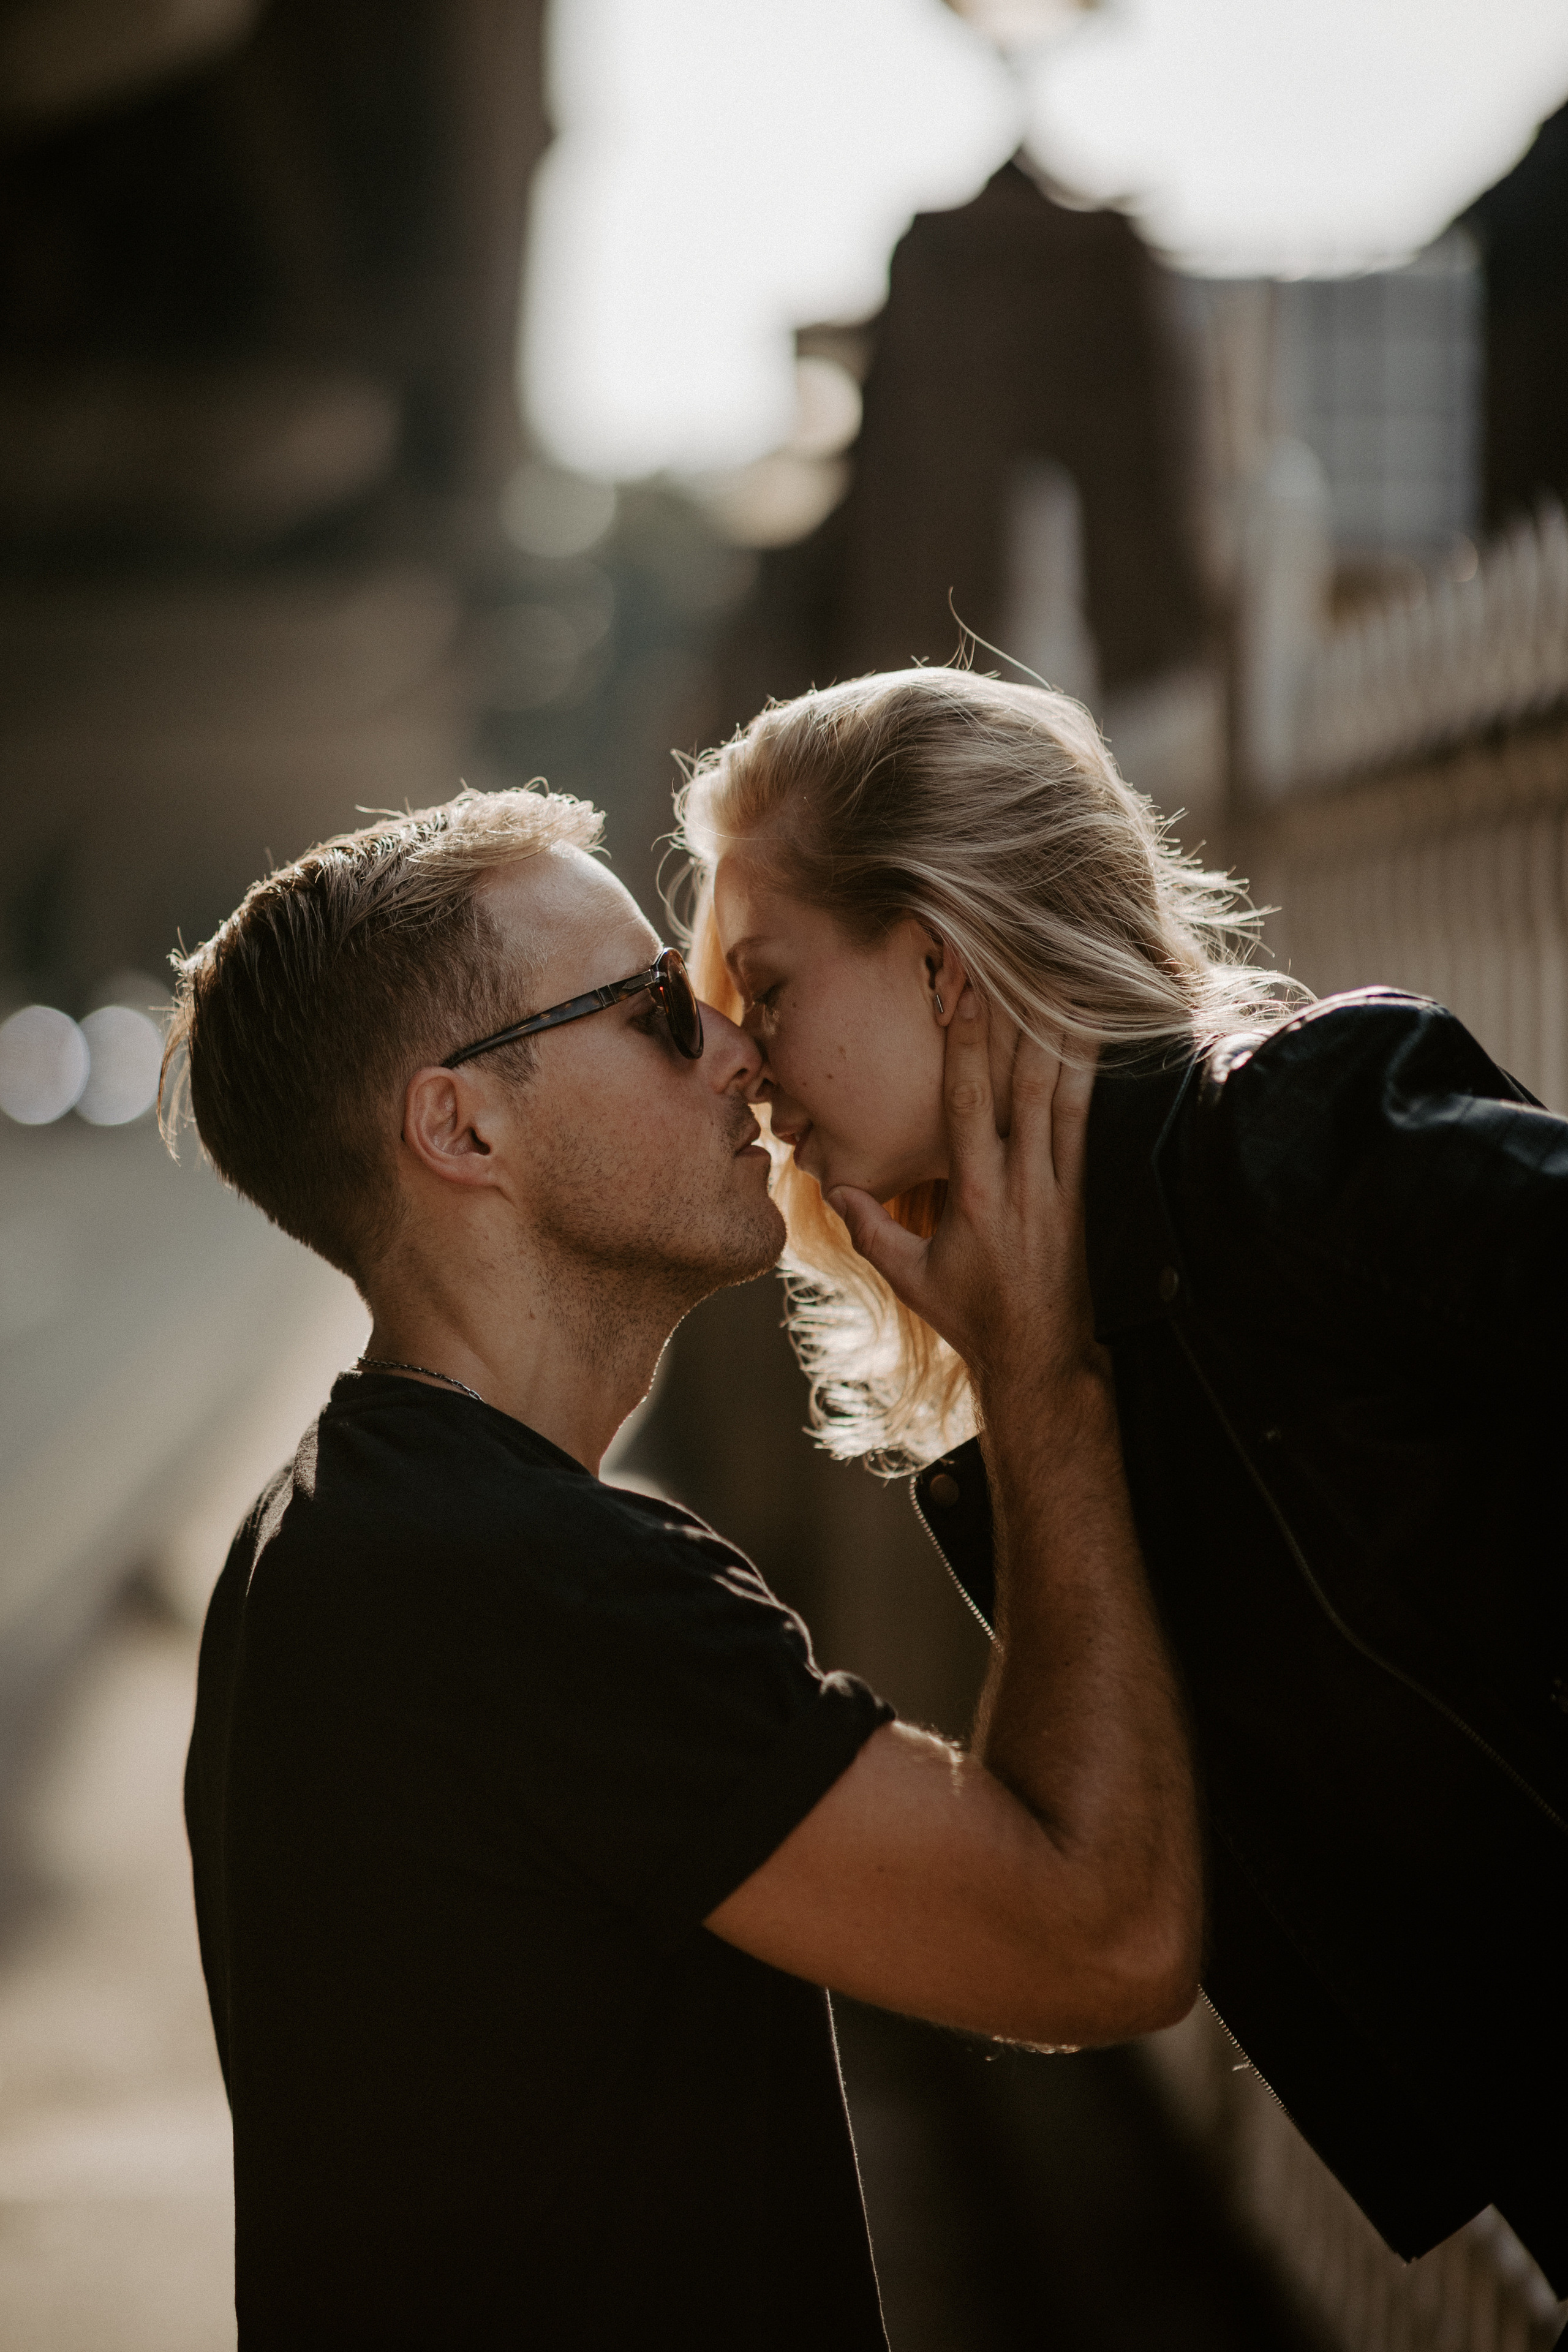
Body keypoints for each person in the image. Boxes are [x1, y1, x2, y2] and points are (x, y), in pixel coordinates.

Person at [165, 786, 1200, 2350]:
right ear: (460, 1127)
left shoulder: (328, 1535)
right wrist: (1033, 1360)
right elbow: (1101, 1939)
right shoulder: (524, 1587)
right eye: (659, 1010)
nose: (741, 1051)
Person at [680, 663, 1568, 2294]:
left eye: (767, 986)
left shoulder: (1286, 1143)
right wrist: (1034, 1397)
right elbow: (1082, 1894)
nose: (738, 1060)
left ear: (939, 960)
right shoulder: (1043, 1375)